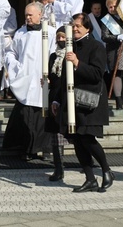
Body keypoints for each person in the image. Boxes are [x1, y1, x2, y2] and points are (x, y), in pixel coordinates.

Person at [53, 13, 114, 193]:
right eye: (73, 25)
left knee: (88, 138)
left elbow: (97, 74)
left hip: (89, 100)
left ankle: (106, 170)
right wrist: (57, 98)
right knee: (77, 140)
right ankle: (90, 179)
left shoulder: (96, 46)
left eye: (79, 26)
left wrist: (78, 63)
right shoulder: (71, 46)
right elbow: (64, 76)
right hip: (72, 101)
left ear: (88, 28)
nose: (75, 28)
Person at [3, 2, 56, 161]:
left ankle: (46, 149)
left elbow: (55, 55)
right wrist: (14, 65)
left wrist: (52, 75)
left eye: (30, 15)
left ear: (40, 15)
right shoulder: (20, 33)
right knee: (26, 115)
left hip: (43, 79)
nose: (27, 17)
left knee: (44, 115)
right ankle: (26, 149)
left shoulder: (51, 33)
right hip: (26, 78)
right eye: (26, 14)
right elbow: (11, 52)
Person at [44, 26, 68, 181]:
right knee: (55, 135)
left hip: (67, 97)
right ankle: (58, 168)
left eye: (63, 37)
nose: (60, 40)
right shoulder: (53, 56)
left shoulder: (72, 55)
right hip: (53, 97)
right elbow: (51, 76)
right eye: (58, 37)